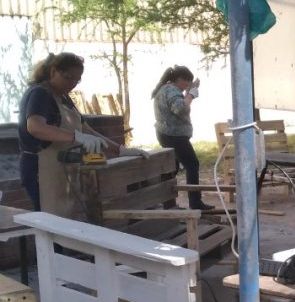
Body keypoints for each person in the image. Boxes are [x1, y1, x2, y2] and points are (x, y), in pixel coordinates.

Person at [17, 52, 138, 214]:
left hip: (63, 168)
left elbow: (87, 130)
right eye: (69, 77)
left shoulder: (64, 97)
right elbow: (36, 127)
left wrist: (120, 150)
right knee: (50, 221)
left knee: (68, 219)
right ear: (53, 71)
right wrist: (75, 137)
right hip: (40, 168)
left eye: (77, 79)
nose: (73, 83)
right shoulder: (39, 94)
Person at [152, 65, 213, 210]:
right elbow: (179, 108)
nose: (187, 87)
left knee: (171, 168)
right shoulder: (172, 90)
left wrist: (189, 91)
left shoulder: (165, 89)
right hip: (174, 135)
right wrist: (191, 94)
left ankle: (168, 203)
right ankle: (195, 202)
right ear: (180, 79)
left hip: (166, 134)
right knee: (192, 165)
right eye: (187, 83)